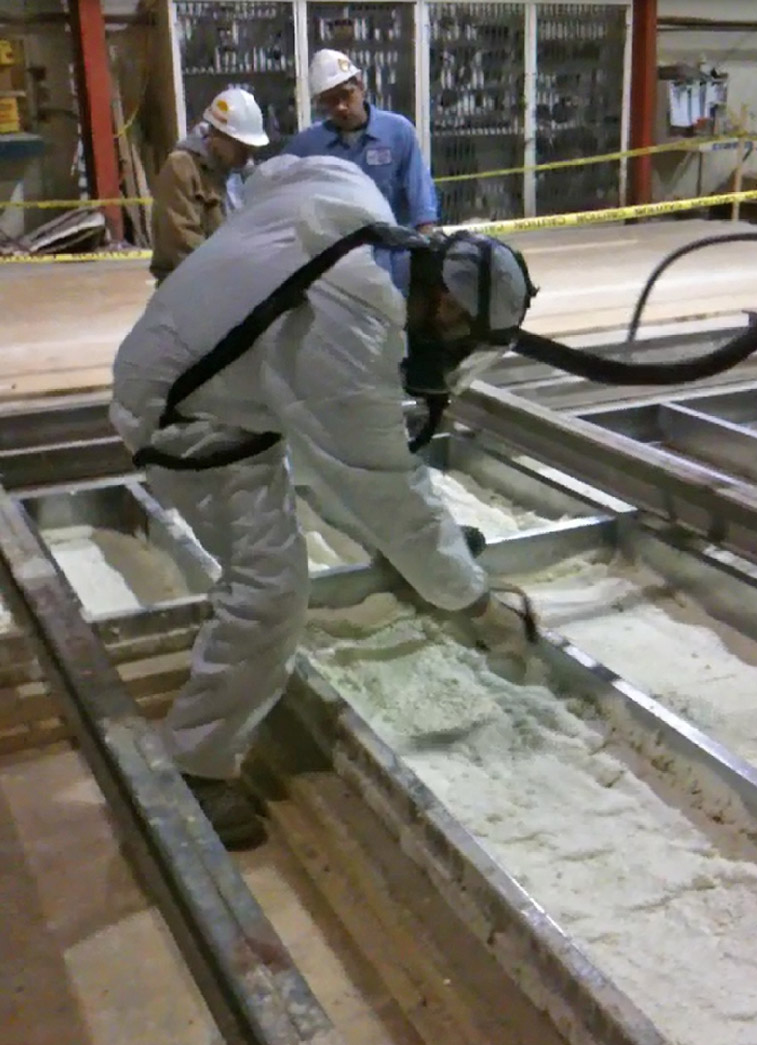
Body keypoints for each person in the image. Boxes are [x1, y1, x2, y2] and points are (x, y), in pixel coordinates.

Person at [110, 154, 537, 851]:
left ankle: (426, 561)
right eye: (458, 336)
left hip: (195, 358)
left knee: (332, 467)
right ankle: (195, 767)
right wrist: (478, 604)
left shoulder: (355, 199)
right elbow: (384, 482)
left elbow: (281, 171)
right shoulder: (354, 334)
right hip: (185, 418)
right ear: (446, 304)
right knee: (272, 591)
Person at [283, 49, 438, 233]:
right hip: (335, 256)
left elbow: (422, 206)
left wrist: (426, 252)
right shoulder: (307, 146)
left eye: (346, 95)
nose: (341, 106)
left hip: (391, 254)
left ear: (361, 87)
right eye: (331, 100)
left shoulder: (398, 133)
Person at [149, 87, 269, 285]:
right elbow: (182, 242)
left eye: (251, 148)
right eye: (242, 147)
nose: (247, 155)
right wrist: (224, 282)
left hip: (234, 281)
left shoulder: (243, 173)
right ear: (216, 135)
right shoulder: (182, 168)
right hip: (190, 287)